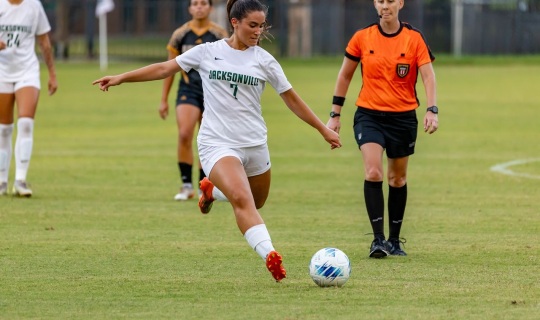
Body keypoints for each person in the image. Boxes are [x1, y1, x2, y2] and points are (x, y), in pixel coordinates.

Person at [93, 0, 341, 282]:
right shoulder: (207, 52)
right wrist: (121, 78)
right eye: (252, 25)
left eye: (261, 26)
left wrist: (323, 129)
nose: (258, 31)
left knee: (255, 202)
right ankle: (270, 254)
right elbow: (164, 69)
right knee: (242, 199)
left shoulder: (264, 60)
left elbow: (292, 100)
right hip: (217, 143)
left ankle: (211, 191)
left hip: (254, 143)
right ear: (235, 23)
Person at [327, 0, 438, 258]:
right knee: (374, 171)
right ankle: (377, 240)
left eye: (390, 1)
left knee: (397, 179)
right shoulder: (362, 38)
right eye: (380, 1)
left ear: (400, 3)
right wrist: (335, 114)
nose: (384, 6)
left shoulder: (414, 38)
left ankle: (395, 241)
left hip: (403, 118)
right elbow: (345, 75)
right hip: (369, 116)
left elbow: (428, 76)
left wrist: (432, 110)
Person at [159, 0, 228, 201]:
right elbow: (168, 67)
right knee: (184, 134)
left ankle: (203, 185)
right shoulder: (180, 34)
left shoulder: (219, 34)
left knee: (206, 139)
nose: (199, 7)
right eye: (195, 3)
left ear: (210, 8)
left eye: (203, 3)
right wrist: (163, 99)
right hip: (188, 90)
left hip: (211, 93)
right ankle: (186, 185)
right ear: (189, 8)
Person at [0, 0, 58, 197]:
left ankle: (20, 180)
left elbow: (44, 42)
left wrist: (52, 74)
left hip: (27, 71)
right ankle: (1, 180)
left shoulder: (34, 6)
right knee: (4, 129)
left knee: (25, 123)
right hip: (2, 71)